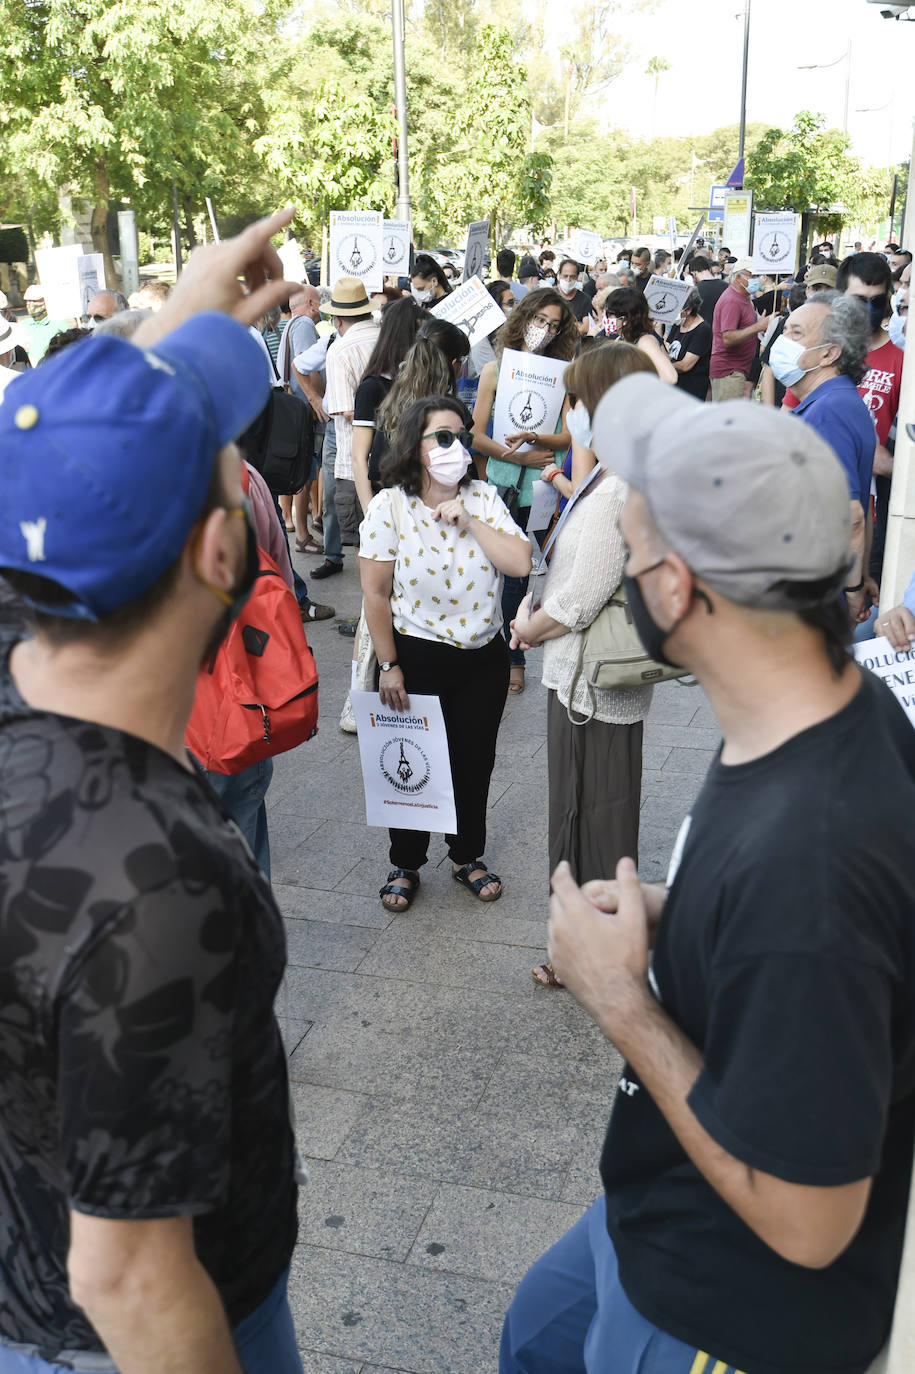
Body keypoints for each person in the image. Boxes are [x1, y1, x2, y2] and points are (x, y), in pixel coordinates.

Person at [501, 369, 915, 1374]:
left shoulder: (809, 861)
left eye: (634, 547)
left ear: (677, 588)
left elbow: (810, 1221)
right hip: (659, 1204)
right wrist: (674, 911)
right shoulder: (827, 710)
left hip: (727, 1309)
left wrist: (619, 1000)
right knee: (537, 1336)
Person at [0, 209, 306, 1373]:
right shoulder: (157, 880)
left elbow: (71, 465)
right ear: (221, 556)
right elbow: (127, 1273)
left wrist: (182, 325)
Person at [509, 343, 657, 988]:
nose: (570, 413)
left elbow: (578, 599)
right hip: (598, 681)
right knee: (603, 812)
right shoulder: (621, 472)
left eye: (576, 400)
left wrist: (525, 631)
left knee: (585, 817)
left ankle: (588, 955)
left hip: (586, 685)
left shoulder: (617, 485)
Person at [359, 395, 532, 912]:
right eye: (442, 436)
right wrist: (389, 665)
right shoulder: (391, 506)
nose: (455, 445)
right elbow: (374, 593)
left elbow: (520, 562)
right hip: (416, 656)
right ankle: (406, 862)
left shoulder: (484, 498)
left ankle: (466, 856)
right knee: (411, 762)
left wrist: (472, 521)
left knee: (473, 761)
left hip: (482, 656)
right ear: (415, 446)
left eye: (462, 434)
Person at [471, 289, 577, 695]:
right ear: (523, 318)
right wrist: (517, 457)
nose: (546, 331)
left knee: (520, 573)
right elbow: (477, 435)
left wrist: (537, 438)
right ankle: (487, 649)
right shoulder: (495, 371)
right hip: (499, 482)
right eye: (540, 321)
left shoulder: (563, 373)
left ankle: (513, 655)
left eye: (554, 325)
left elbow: (569, 434)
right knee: (489, 568)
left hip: (539, 490)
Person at [769, 292, 876, 625]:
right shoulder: (832, 403)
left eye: (796, 333)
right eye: (786, 330)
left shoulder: (830, 411)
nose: (782, 341)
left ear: (830, 353)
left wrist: (853, 588)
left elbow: (851, 515)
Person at [836, 251, 905, 583]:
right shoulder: (823, 352)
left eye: (877, 301)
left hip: (873, 512)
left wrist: (892, 464)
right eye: (858, 300)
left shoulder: (903, 361)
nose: (868, 311)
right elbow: (790, 418)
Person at [310, 276, 380, 579]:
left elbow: (348, 412)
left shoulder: (340, 350)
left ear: (337, 319)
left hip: (357, 463)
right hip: (395, 457)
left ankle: (370, 621)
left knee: (366, 548)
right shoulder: (388, 338)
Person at [351, 295, 427, 517]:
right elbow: (359, 457)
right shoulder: (372, 387)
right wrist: (370, 513)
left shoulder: (421, 383)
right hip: (385, 501)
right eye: (421, 337)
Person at [709, 257, 773, 401]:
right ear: (738, 277)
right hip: (729, 371)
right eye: (753, 276)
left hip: (737, 370)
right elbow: (727, 338)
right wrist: (758, 327)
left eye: (758, 276)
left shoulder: (744, 298)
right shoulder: (732, 301)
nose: (757, 280)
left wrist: (759, 326)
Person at [600, 288, 677, 383]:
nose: (605, 318)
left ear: (624, 319)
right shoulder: (621, 339)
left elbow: (670, 377)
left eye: (609, 313)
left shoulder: (645, 341)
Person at [666, 287, 712, 400]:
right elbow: (666, 347)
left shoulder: (702, 330)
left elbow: (685, 365)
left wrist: (664, 365)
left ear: (689, 310)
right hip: (674, 387)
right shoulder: (678, 324)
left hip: (691, 390)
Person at [19, 284, 71, 365]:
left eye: (34, 300)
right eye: (28, 300)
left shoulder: (58, 323)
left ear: (45, 301)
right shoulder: (23, 325)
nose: (30, 303)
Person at [556, 259, 595, 335]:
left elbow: (585, 328)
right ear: (559, 275)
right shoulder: (550, 295)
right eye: (565, 276)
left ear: (577, 277)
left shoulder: (584, 299)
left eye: (572, 277)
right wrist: (574, 325)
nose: (568, 280)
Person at [686, 256, 728, 326]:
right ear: (709, 269)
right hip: (723, 332)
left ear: (694, 273)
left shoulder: (694, 291)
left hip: (702, 333)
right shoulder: (727, 286)